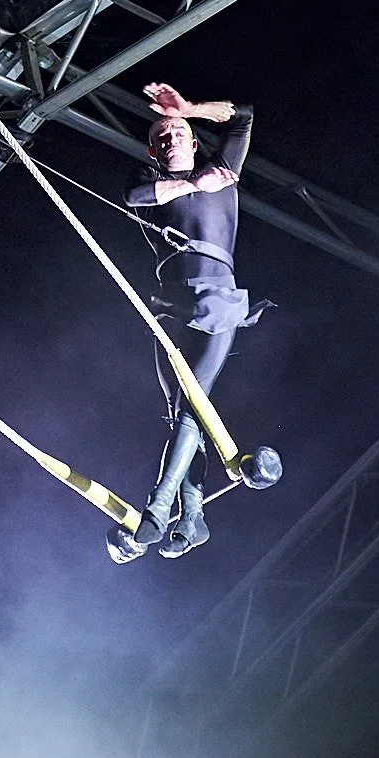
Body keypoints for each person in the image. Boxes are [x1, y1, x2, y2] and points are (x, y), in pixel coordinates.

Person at [108, 82, 264, 563]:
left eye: (179, 132)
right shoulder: (152, 180)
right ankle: (193, 518)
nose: (172, 136)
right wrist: (198, 184)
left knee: (193, 410)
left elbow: (243, 116)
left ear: (195, 141)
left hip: (216, 302)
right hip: (169, 310)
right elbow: (135, 195)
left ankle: (159, 510)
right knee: (181, 415)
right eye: (163, 135)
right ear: (153, 150)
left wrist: (191, 108)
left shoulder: (224, 169)